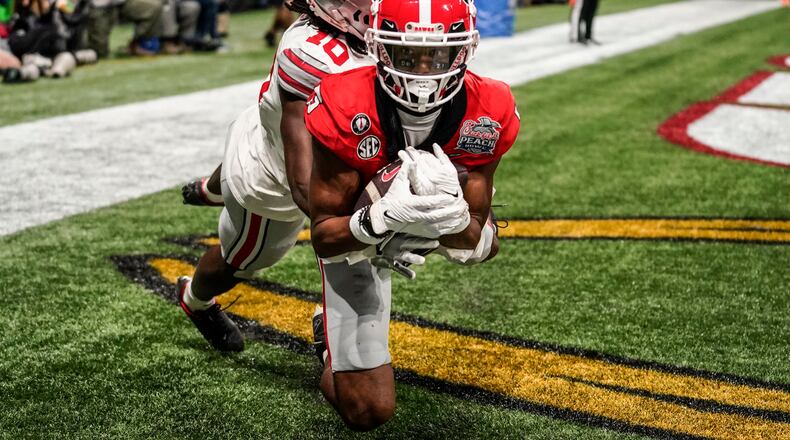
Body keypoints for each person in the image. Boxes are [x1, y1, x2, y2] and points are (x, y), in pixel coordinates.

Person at [303, 0, 519, 430]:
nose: (423, 71)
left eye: (437, 55)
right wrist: (378, 220)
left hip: (407, 220)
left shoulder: (488, 107)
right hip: (355, 225)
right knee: (367, 412)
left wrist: (450, 219)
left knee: (483, 244)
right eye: (408, 55)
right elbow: (325, 237)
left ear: (465, 50)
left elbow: (476, 230)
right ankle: (330, 338)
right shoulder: (344, 99)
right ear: (377, 47)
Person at [175, 0, 373, 352]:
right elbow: (302, 181)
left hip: (296, 141)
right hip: (278, 179)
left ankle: (212, 187)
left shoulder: (374, 30)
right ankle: (195, 299)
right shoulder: (314, 54)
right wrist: (370, 227)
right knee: (240, 262)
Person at [85, 0, 163, 57]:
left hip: (122, 4)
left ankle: (136, 45)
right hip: (98, 7)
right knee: (100, 53)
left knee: (154, 6)